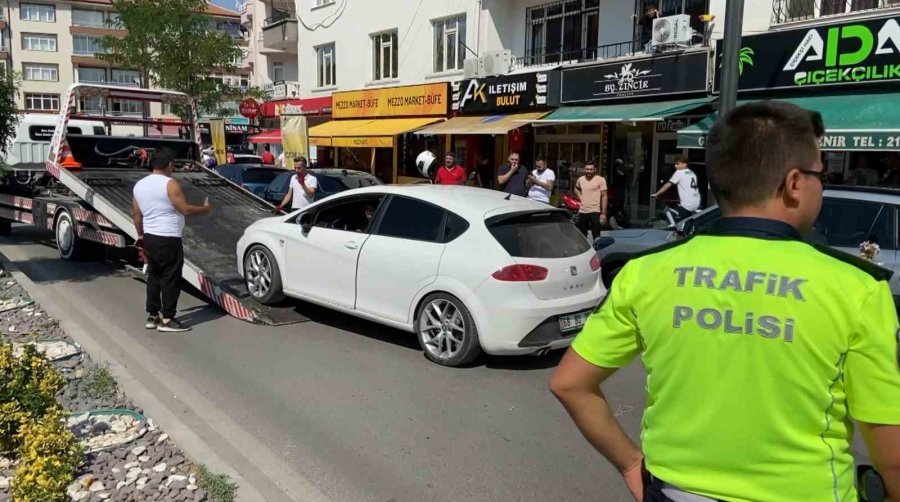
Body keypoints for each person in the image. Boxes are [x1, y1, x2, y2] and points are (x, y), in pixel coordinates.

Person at [549, 101, 900, 502]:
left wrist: (632, 465)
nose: (823, 184)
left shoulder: (645, 274)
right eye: (822, 174)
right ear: (794, 183)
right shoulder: (856, 288)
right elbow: (890, 446)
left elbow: (569, 383)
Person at [132, 148, 213, 333]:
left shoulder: (139, 185)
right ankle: (168, 319)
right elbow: (184, 209)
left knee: (154, 276)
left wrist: (141, 235)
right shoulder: (170, 183)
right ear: (169, 165)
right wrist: (205, 209)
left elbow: (136, 213)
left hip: (150, 237)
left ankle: (152, 315)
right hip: (168, 237)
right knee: (170, 278)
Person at [650, 155, 702, 222]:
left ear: (684, 164)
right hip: (696, 202)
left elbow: (668, 184)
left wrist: (657, 194)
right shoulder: (692, 173)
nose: (675, 166)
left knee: (681, 225)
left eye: (678, 164)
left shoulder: (679, 172)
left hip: (687, 204)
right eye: (675, 164)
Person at [574, 161, 607, 238]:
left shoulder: (601, 180)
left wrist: (603, 213)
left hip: (595, 211)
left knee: (596, 235)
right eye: (587, 169)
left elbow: (604, 196)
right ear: (584, 169)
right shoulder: (580, 179)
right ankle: (584, 249)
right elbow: (576, 188)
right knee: (582, 236)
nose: (589, 171)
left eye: (591, 169)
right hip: (583, 211)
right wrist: (580, 196)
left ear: (595, 170)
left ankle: (597, 250)